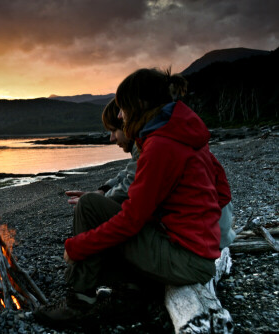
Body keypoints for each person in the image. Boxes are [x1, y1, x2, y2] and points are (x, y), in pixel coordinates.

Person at [34, 68, 232, 328]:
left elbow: (130, 221)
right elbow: (223, 192)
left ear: (138, 105)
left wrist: (76, 246)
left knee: (89, 206)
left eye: (122, 107)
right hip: (200, 253)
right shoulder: (183, 135)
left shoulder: (161, 146)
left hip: (187, 260)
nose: (119, 115)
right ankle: (132, 294)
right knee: (105, 213)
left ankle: (79, 303)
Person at [66, 99, 139, 206]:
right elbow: (129, 174)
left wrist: (99, 199)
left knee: (85, 208)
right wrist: (103, 190)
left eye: (114, 130)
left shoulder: (147, 145)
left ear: (128, 124)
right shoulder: (142, 146)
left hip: (161, 221)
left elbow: (133, 185)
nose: (111, 139)